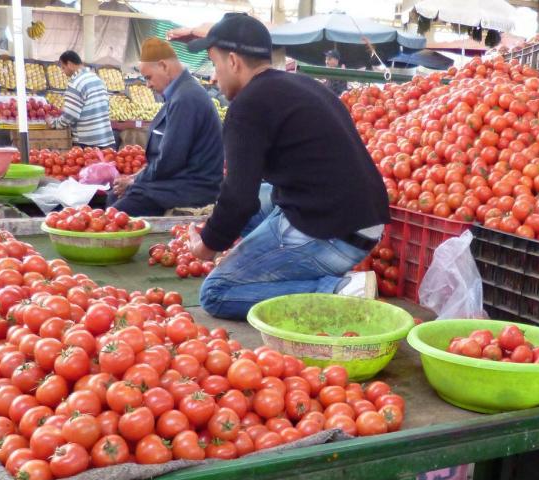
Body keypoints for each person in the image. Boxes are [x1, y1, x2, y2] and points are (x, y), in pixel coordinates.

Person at [186, 13, 389, 320]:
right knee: (264, 193)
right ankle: (272, 259)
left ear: (233, 61)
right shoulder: (305, 85)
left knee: (216, 293)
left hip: (335, 234)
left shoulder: (247, 106)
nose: (214, 77)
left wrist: (207, 246)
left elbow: (238, 198)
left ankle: (339, 291)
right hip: (365, 222)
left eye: (214, 66)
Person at [110, 38, 224, 216]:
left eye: (148, 77)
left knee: (115, 213)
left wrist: (136, 181)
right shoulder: (182, 93)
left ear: (163, 66)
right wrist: (134, 178)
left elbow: (170, 160)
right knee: (114, 198)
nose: (148, 85)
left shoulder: (186, 98)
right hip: (177, 183)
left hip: (190, 189)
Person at [49, 50, 115, 149]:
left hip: (87, 142)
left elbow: (71, 115)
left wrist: (54, 123)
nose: (63, 72)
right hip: (105, 138)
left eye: (63, 67)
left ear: (70, 64)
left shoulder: (75, 83)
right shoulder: (97, 78)